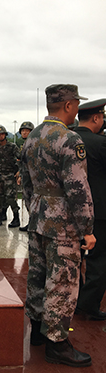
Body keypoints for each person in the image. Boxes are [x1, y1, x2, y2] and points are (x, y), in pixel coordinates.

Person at [21, 84, 96, 367]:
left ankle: (38, 331)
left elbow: (26, 182)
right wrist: (87, 229)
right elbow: (78, 188)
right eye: (76, 104)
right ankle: (57, 342)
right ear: (67, 106)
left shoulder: (33, 137)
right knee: (62, 281)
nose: (76, 108)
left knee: (38, 275)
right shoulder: (69, 139)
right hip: (63, 224)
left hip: (39, 217)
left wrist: (34, 208)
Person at [75, 99, 106, 320]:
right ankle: (88, 305)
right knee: (99, 260)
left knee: (74, 258)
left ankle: (75, 300)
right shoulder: (100, 143)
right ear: (96, 118)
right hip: (99, 212)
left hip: (71, 211)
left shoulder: (67, 140)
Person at [0, 125, 21, 227]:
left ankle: (16, 217)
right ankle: (0, 217)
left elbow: (21, 159)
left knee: (10, 198)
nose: (1, 136)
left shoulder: (13, 147)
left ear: (5, 135)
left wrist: (19, 171)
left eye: (2, 134)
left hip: (9, 176)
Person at [16, 121, 35, 231]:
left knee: (33, 201)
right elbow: (23, 162)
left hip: (33, 178)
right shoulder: (24, 145)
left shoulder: (34, 144)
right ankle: (31, 223)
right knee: (27, 200)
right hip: (26, 177)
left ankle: (34, 225)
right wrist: (20, 174)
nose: (24, 132)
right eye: (23, 131)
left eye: (27, 131)